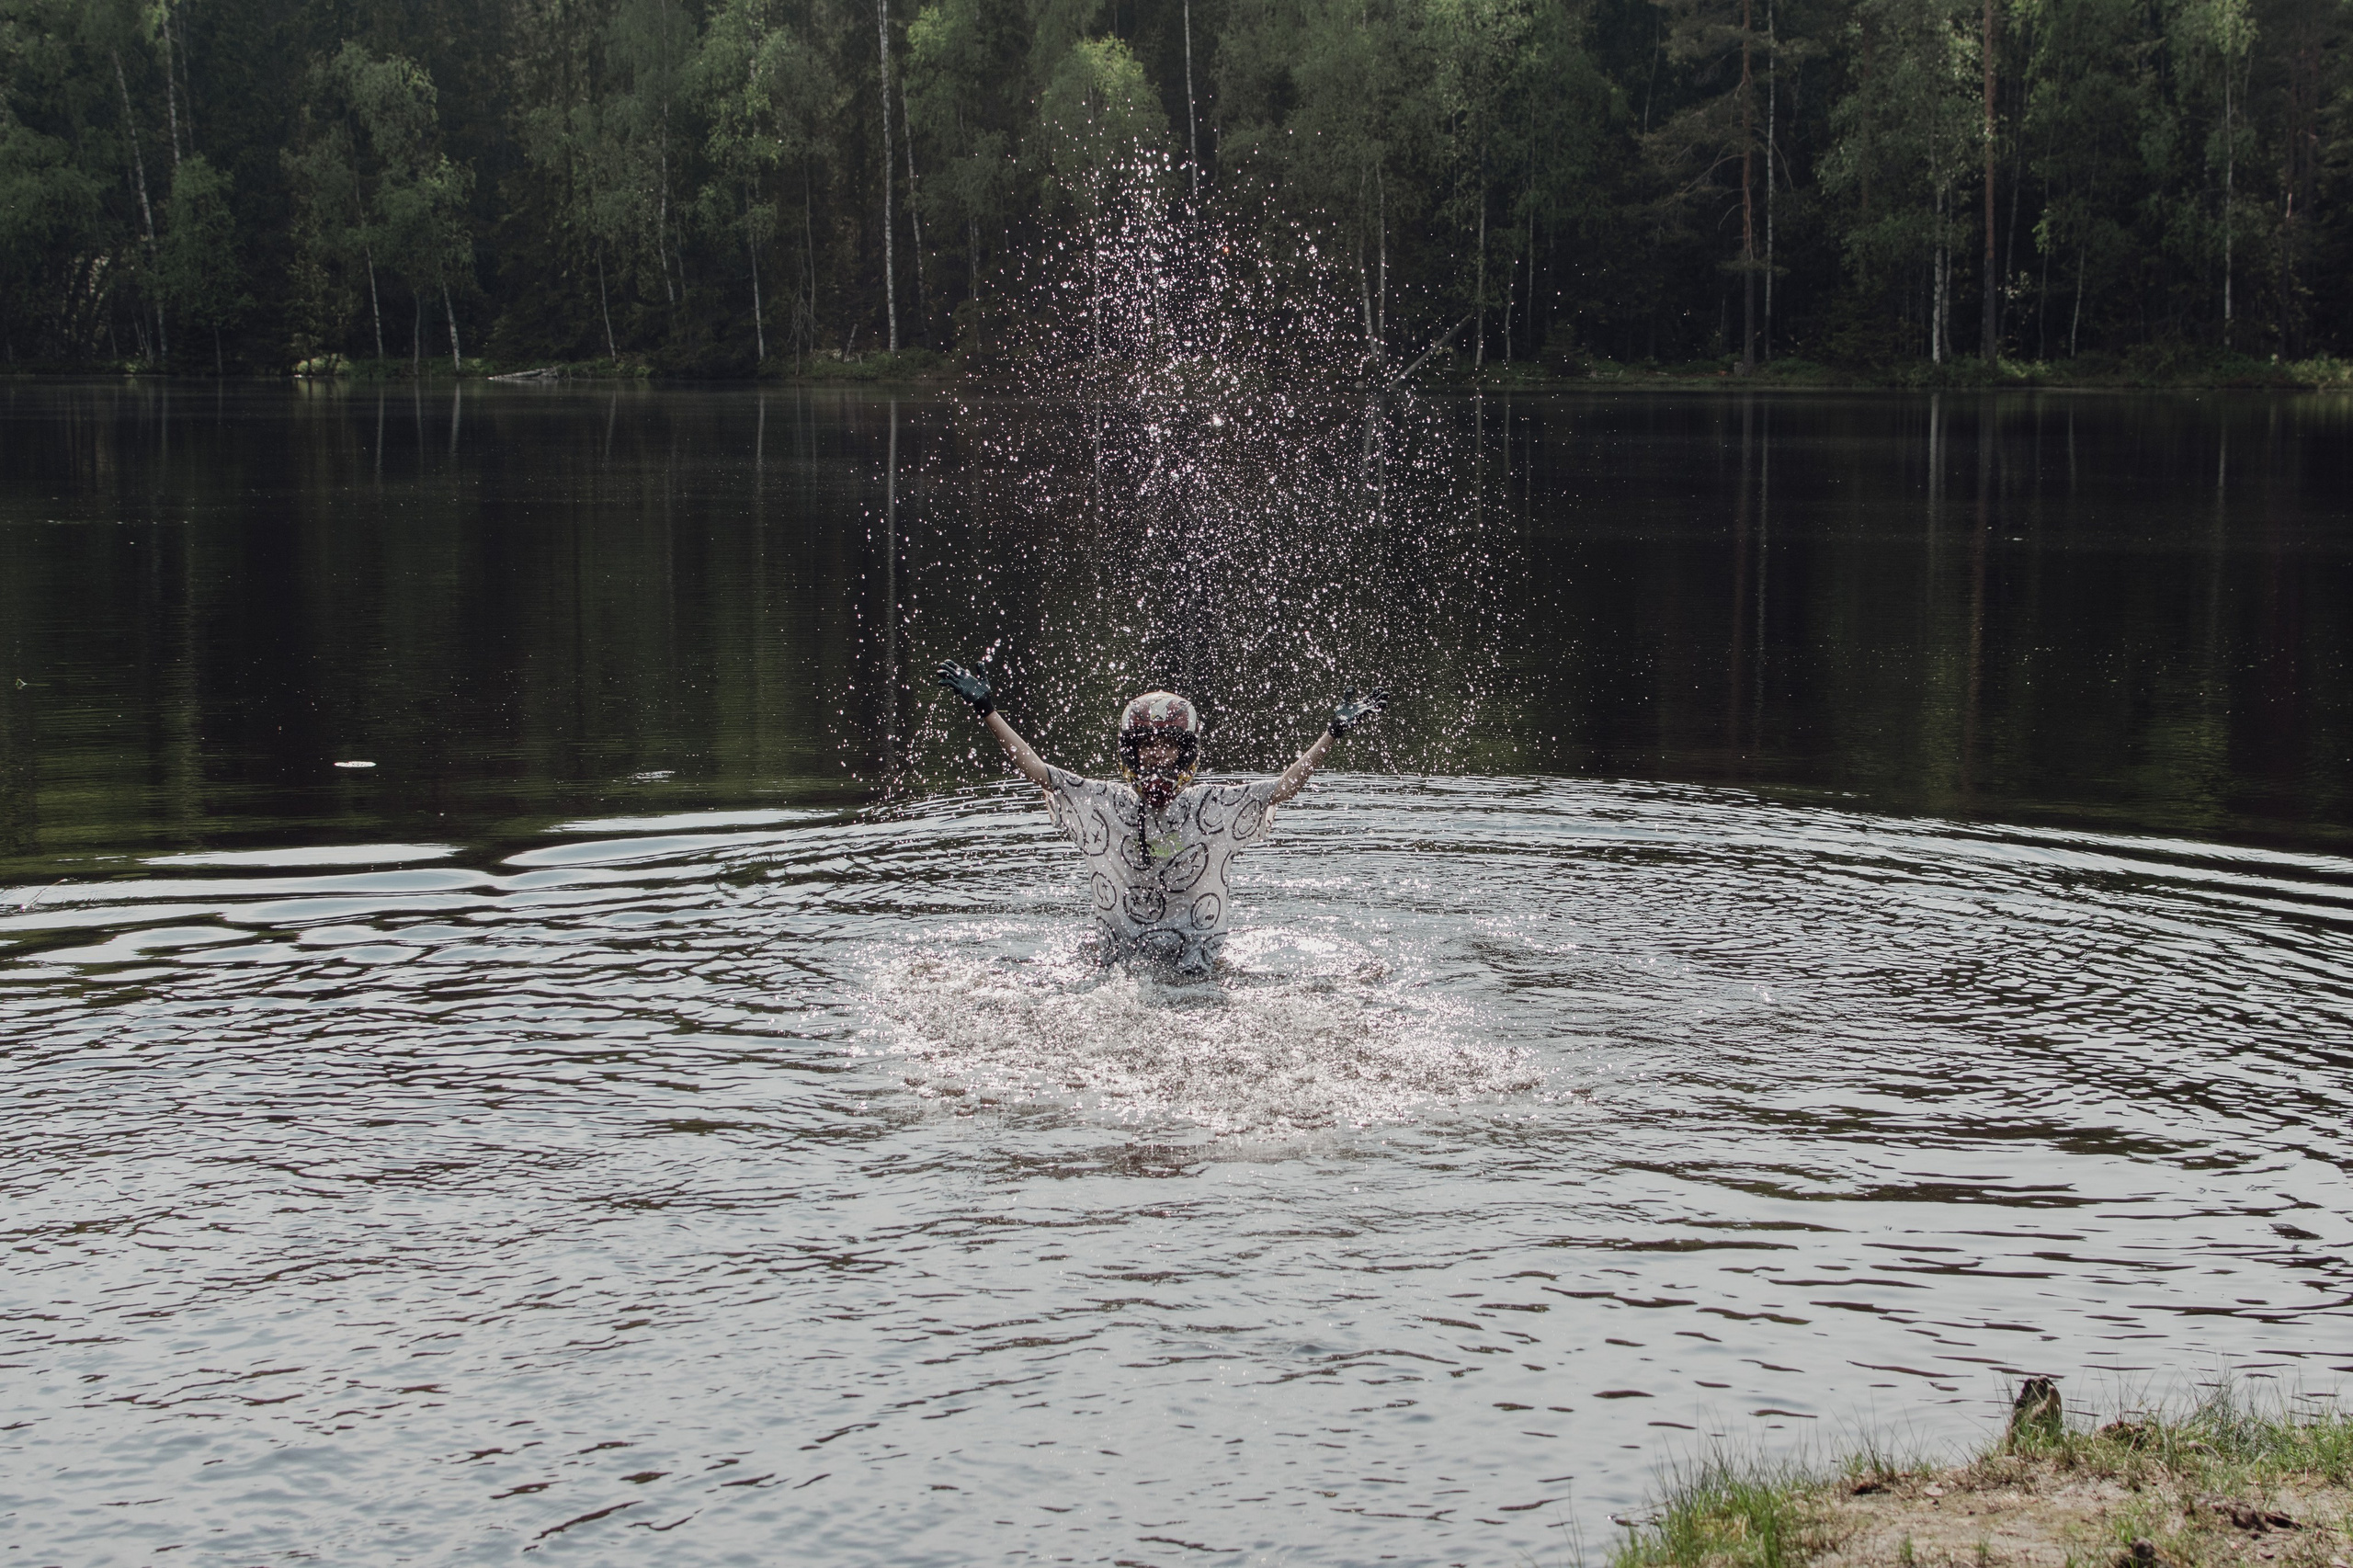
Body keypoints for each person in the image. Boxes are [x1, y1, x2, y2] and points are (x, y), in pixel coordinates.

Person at [935, 661, 1387, 972]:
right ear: (1130, 752)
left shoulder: (1213, 807)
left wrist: (1332, 733)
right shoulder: (1105, 802)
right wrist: (986, 710)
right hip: (1123, 965)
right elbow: (1039, 773)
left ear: (1184, 752)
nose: (1156, 754)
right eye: (1146, 745)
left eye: (1167, 745)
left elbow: (1282, 788)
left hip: (1195, 964)